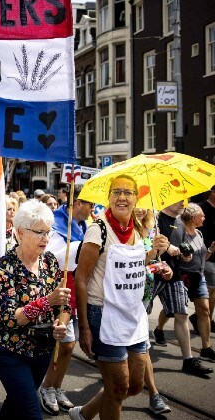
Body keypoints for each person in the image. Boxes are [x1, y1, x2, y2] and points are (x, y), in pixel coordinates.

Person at [72, 175, 171, 420]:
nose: (122, 198)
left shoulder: (136, 229)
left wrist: (154, 256)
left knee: (135, 386)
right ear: (109, 197)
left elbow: (134, 264)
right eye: (116, 192)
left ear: (137, 198)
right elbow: (81, 279)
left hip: (132, 313)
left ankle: (84, 413)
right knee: (117, 389)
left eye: (128, 193)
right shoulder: (98, 230)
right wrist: (83, 326)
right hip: (103, 315)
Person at [0, 200, 70, 419]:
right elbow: (10, 318)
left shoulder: (50, 262)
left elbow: (64, 304)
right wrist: (46, 301)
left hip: (42, 348)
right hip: (10, 349)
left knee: (17, 403)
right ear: (21, 233)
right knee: (31, 412)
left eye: (48, 232)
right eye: (40, 232)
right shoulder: (4, 267)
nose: (46, 238)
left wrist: (61, 322)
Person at [38, 192, 93, 415]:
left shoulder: (83, 225)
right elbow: (52, 255)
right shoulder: (56, 222)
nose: (92, 209)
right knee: (64, 342)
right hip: (57, 284)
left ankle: (56, 386)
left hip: (75, 284)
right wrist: (83, 247)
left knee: (68, 344)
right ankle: (46, 388)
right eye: (90, 205)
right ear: (77, 203)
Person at [134, 207, 174, 415]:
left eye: (143, 205)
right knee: (142, 349)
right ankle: (154, 394)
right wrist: (150, 257)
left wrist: (164, 268)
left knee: (143, 347)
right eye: (136, 203)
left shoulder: (150, 230)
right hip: (124, 300)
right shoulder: (122, 231)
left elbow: (153, 263)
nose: (140, 208)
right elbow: (128, 266)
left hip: (145, 295)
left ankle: (153, 396)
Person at [169, 204, 215, 361]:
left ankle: (206, 347)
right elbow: (174, 253)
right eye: (201, 215)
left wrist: (209, 251)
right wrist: (182, 256)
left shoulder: (200, 234)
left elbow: (202, 258)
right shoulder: (179, 233)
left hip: (198, 276)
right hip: (183, 276)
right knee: (175, 310)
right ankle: (159, 328)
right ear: (194, 218)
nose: (204, 218)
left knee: (204, 310)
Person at [152, 200, 184, 346]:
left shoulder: (181, 223)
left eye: (185, 201)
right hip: (152, 276)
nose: (183, 203)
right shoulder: (155, 219)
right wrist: (168, 246)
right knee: (141, 310)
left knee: (180, 314)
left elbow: (182, 246)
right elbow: (148, 239)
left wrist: (184, 255)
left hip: (174, 275)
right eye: (179, 201)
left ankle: (188, 358)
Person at [198, 185, 215, 334]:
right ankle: (205, 318)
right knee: (211, 289)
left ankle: (204, 318)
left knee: (212, 291)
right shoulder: (202, 208)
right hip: (206, 254)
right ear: (212, 192)